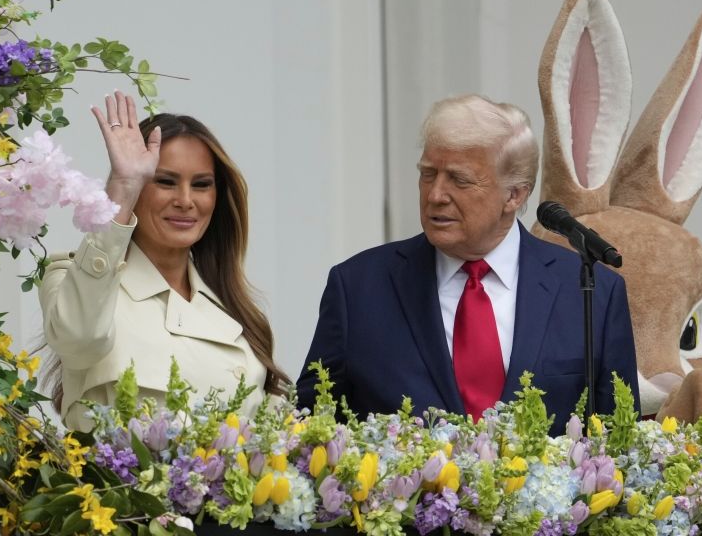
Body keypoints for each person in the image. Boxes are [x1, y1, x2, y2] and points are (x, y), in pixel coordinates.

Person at [295, 94, 639, 435]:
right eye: (428, 174)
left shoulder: (591, 292)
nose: (435, 195)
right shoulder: (358, 289)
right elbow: (309, 433)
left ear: (514, 194)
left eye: (459, 180)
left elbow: (620, 444)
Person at [40, 91, 289, 430]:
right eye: (166, 182)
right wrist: (122, 186)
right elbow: (79, 340)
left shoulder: (233, 308)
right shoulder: (77, 282)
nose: (185, 200)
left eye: (201, 185)